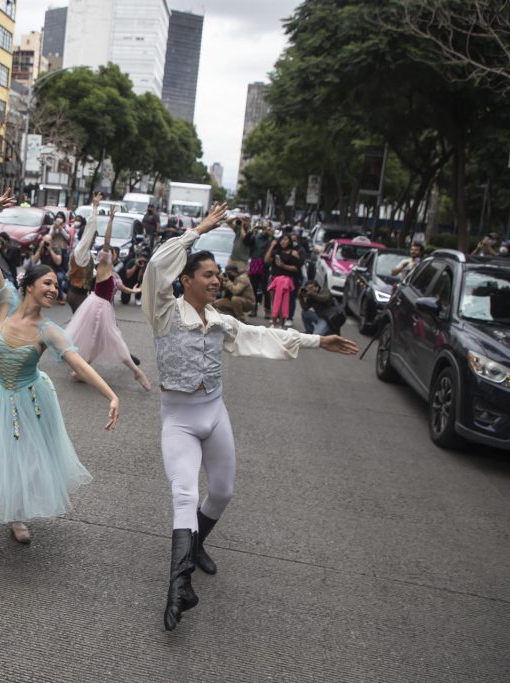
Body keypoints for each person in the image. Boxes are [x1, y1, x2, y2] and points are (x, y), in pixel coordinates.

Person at [141, 202, 359, 631]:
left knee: (221, 492)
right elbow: (154, 267)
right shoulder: (164, 313)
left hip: (214, 413)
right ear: (185, 281)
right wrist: (197, 231)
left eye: (217, 274)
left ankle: (198, 542)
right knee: (184, 494)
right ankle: (178, 586)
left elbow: (263, 336)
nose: (216, 278)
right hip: (179, 419)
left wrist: (318, 341)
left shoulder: (220, 321)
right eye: (208, 274)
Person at [0, 188, 121, 579]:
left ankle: (15, 516)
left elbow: (79, 362)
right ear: (29, 285)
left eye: (57, 288)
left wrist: (111, 395)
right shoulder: (5, 300)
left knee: (23, 461)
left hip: (29, 400)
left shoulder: (49, 330)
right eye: (48, 284)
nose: (53, 289)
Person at [65, 206, 152, 390]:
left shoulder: (114, 276)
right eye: (111, 252)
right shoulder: (103, 268)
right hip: (96, 307)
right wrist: (111, 221)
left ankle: (133, 371)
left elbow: (125, 289)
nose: (112, 253)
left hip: (105, 310)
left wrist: (137, 290)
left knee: (102, 341)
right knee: (98, 340)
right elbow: (106, 242)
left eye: (114, 252)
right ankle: (88, 368)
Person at [67, 193, 104, 313]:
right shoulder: (80, 251)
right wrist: (94, 208)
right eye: (93, 238)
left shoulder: (87, 255)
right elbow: (90, 229)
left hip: (81, 295)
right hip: (77, 295)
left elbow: (91, 274)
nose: (93, 240)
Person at [265, 233, 302, 328]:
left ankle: (281, 324)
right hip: (274, 279)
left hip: (285, 281)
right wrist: (272, 246)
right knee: (274, 302)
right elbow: (266, 260)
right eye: (281, 239)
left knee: (283, 303)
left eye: (286, 240)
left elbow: (296, 268)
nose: (283, 241)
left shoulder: (293, 253)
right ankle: (274, 322)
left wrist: (283, 266)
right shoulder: (276, 252)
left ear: (289, 241)